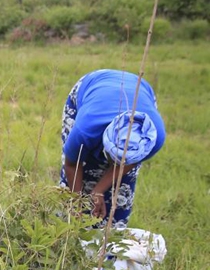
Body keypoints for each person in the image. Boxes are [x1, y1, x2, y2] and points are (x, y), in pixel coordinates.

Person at [59, 69, 166, 228]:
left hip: (139, 90)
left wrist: (99, 190)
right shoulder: (85, 129)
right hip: (92, 86)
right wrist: (77, 202)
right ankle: (68, 236)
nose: (117, 162)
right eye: (112, 157)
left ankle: (110, 242)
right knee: (80, 179)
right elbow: (71, 165)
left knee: (121, 188)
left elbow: (130, 163)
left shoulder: (153, 137)